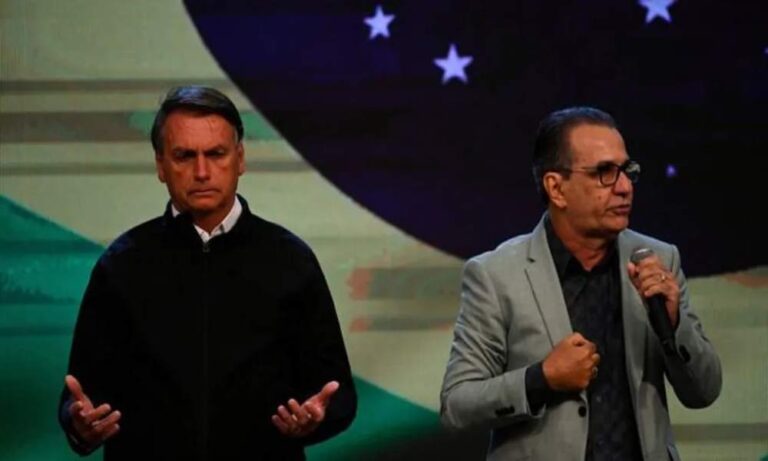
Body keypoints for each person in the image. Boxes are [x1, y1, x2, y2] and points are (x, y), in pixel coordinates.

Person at [58, 86, 357, 460]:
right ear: (161, 165)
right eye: (184, 156)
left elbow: (337, 394)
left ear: (240, 159)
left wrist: (317, 419)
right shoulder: (121, 265)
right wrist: (78, 424)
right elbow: (80, 396)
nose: (202, 172)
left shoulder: (291, 261)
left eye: (216, 154)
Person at [440, 107, 721, 460]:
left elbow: (704, 392)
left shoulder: (658, 261)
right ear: (556, 188)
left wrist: (674, 324)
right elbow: (457, 406)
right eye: (604, 173)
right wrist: (541, 379)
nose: (624, 188)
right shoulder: (496, 275)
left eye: (627, 171)